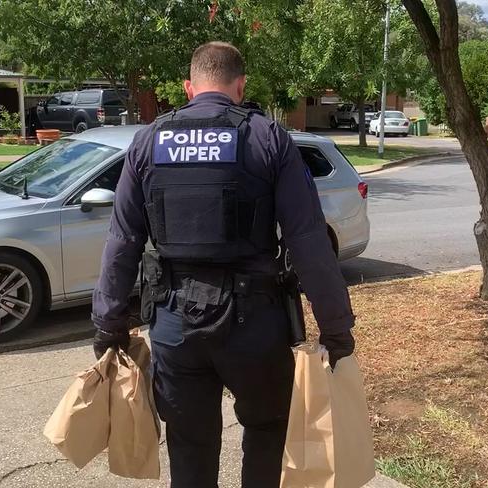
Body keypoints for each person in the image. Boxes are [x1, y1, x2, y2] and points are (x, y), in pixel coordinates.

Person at [91, 41, 355, 488]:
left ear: (189, 86)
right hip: (256, 325)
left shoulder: (148, 140)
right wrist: (336, 326)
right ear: (240, 84)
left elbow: (122, 241)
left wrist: (108, 325)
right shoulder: (268, 138)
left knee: (190, 444)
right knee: (268, 432)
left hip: (176, 324)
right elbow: (308, 240)